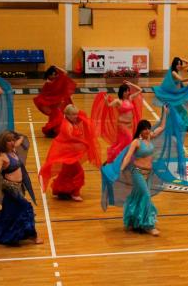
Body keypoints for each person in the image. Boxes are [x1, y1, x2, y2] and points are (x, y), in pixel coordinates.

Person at [101, 108, 168, 236]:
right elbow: (127, 157)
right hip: (137, 172)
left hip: (148, 174)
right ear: (140, 130)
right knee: (146, 196)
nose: (147, 131)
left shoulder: (150, 137)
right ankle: (149, 225)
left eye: (148, 128)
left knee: (138, 196)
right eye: (145, 129)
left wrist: (165, 112)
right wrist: (120, 169)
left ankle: (133, 220)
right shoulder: (136, 142)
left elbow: (162, 126)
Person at [39, 104, 101, 201]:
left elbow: (81, 115)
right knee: (79, 172)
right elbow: (71, 138)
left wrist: (78, 116)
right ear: (67, 115)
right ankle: (75, 193)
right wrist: (84, 142)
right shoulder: (66, 125)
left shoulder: (72, 121)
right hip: (68, 156)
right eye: (73, 115)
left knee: (65, 173)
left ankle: (61, 190)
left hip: (71, 155)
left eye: (76, 114)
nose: (75, 116)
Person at [91, 80, 143, 163]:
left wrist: (130, 84)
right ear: (122, 92)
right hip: (122, 126)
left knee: (122, 143)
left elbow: (140, 90)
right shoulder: (118, 101)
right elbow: (108, 105)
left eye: (128, 91)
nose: (128, 92)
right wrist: (106, 100)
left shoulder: (130, 99)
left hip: (130, 125)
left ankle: (120, 158)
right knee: (129, 140)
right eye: (126, 91)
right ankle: (126, 158)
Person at [153, 57, 188, 137]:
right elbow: (182, 80)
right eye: (177, 64)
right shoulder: (173, 72)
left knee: (178, 113)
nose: (179, 65)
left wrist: (181, 59)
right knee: (180, 113)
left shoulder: (179, 69)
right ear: (174, 64)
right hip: (172, 98)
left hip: (176, 97)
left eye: (180, 64)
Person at [33, 65, 77, 138]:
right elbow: (45, 95)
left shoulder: (57, 80)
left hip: (58, 103)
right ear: (50, 75)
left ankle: (54, 130)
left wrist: (56, 67)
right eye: (53, 74)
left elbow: (65, 73)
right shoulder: (48, 84)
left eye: (55, 74)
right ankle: (54, 130)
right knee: (57, 117)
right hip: (53, 104)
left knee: (58, 117)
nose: (55, 76)